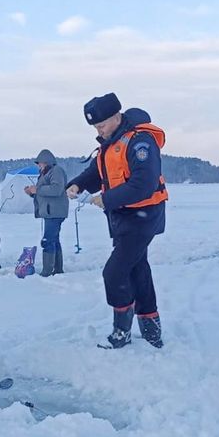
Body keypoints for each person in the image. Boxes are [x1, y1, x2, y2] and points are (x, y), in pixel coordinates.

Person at [66, 92, 168, 349]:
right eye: (95, 127)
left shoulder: (140, 141)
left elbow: (144, 184)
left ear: (116, 117)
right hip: (123, 218)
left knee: (114, 272)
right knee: (137, 268)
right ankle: (151, 329)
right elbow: (95, 172)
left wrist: (107, 198)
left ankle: (121, 332)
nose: (98, 130)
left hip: (143, 217)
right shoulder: (109, 144)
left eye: (101, 125)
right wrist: (77, 185)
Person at [24, 149, 69, 276]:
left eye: (40, 163)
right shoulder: (45, 173)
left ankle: (47, 271)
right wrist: (32, 193)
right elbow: (43, 193)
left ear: (47, 162)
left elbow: (56, 189)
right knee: (54, 240)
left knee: (48, 240)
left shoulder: (56, 171)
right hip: (51, 212)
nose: (38, 165)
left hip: (55, 212)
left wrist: (36, 189)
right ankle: (58, 269)